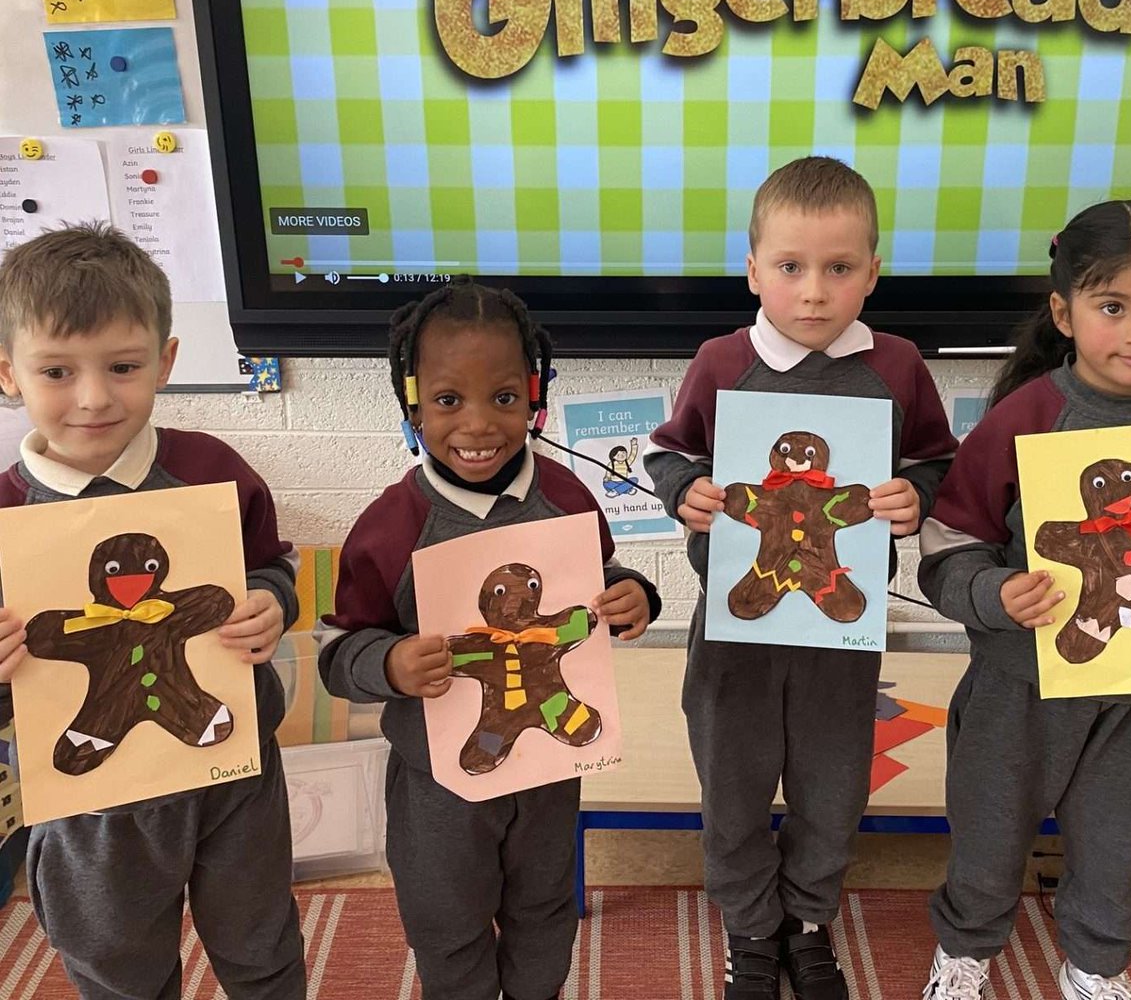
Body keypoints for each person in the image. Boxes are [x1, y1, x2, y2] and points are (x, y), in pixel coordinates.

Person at [646, 157, 957, 999]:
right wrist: (689, 491)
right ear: (753, 270)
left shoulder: (895, 365)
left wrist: (910, 496)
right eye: (790, 267)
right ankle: (751, 928)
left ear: (873, 273)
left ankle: (809, 920)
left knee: (831, 785)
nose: (813, 291)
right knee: (735, 785)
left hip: (837, 633)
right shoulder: (721, 360)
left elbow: (936, 457)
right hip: (734, 633)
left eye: (839, 268)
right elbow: (670, 450)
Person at [317, 277, 660, 1000]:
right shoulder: (389, 526)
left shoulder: (565, 497)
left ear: (536, 394)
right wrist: (388, 661)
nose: (478, 425)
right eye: (448, 401)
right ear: (411, 400)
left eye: (504, 398)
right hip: (440, 785)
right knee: (448, 923)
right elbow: (339, 655)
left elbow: (600, 584)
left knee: (544, 913)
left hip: (548, 772)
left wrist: (637, 596)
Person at [0, 223, 305, 999]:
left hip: (231, 772)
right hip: (92, 808)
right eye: (57, 371)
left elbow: (270, 565)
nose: (95, 396)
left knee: (262, 947)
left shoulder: (213, 472)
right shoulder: (3, 511)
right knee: (119, 970)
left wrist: (271, 600)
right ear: (9, 375)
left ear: (166, 361)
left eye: (124, 366)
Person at [919, 199, 1131, 1000]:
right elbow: (946, 548)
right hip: (1020, 693)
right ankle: (966, 950)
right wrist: (995, 590)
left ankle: (1096, 966)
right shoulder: (1025, 417)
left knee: (1114, 844)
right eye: (1112, 307)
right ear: (1065, 312)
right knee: (989, 838)